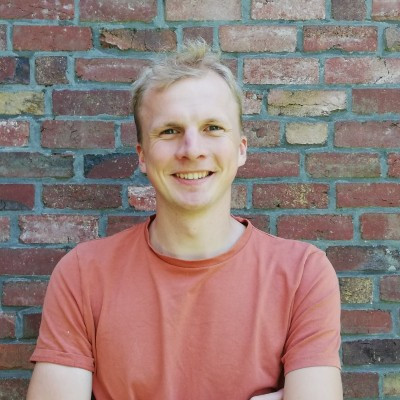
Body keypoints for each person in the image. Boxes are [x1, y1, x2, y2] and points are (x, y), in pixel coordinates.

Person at [27, 41, 342, 400]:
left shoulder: (303, 274)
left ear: (241, 149)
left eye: (213, 127)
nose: (192, 149)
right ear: (143, 156)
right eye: (169, 131)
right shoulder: (83, 274)